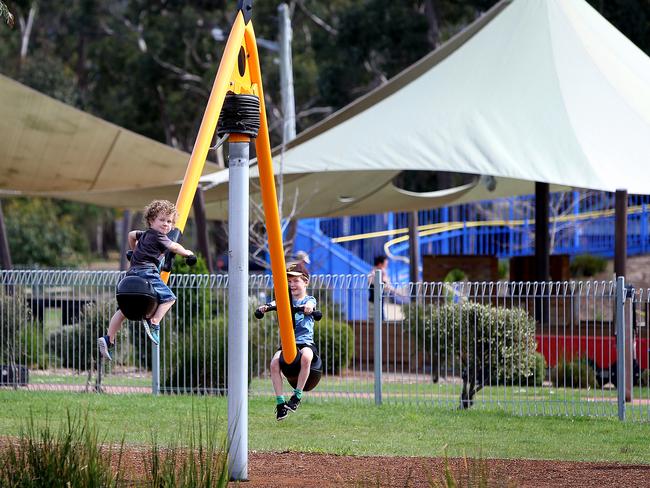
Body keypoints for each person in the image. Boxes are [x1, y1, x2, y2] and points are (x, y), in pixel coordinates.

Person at [97, 200, 194, 361]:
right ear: (151, 221)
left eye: (169, 221)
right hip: (147, 273)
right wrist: (188, 253)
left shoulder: (144, 234)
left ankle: (109, 339)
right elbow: (175, 247)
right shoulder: (159, 237)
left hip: (131, 274)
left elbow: (130, 235)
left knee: (123, 311)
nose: (166, 225)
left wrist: (134, 251)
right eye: (161, 220)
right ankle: (154, 322)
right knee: (169, 298)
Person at [257, 262, 317, 421]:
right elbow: (276, 303)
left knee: (306, 357)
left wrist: (309, 308)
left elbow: (311, 303)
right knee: (274, 364)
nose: (291, 284)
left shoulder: (309, 299)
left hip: (304, 342)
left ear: (306, 282)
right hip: (287, 343)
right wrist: (265, 307)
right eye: (289, 281)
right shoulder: (285, 300)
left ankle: (297, 397)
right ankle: (280, 403)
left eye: (295, 281)